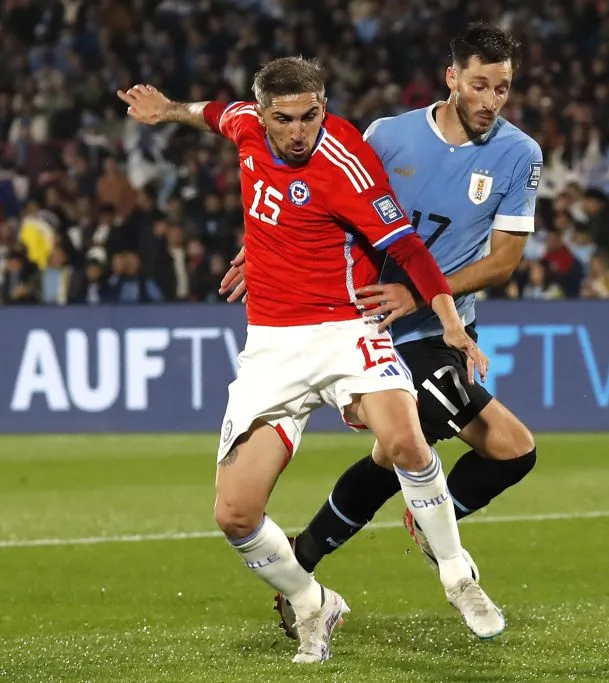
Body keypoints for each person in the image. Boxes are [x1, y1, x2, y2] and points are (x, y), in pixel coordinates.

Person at [116, 56, 505, 664]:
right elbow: (214, 114)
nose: (299, 132)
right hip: (272, 344)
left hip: (346, 329)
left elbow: (405, 246)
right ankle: (311, 603)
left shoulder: (347, 161)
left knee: (404, 440)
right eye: (285, 120)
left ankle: (458, 575)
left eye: (311, 116)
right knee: (235, 514)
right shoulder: (247, 126)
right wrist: (167, 109)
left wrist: (450, 321)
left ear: (324, 106)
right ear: (263, 114)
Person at [219, 24, 541, 636]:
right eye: (479, 85)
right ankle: (438, 551)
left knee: (447, 455)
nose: (491, 100)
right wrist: (262, 247)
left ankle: (325, 554)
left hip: (442, 324)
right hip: (375, 324)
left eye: (503, 88)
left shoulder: (520, 155)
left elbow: (503, 262)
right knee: (463, 440)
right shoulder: (387, 136)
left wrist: (421, 296)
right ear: (451, 78)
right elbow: (320, 204)